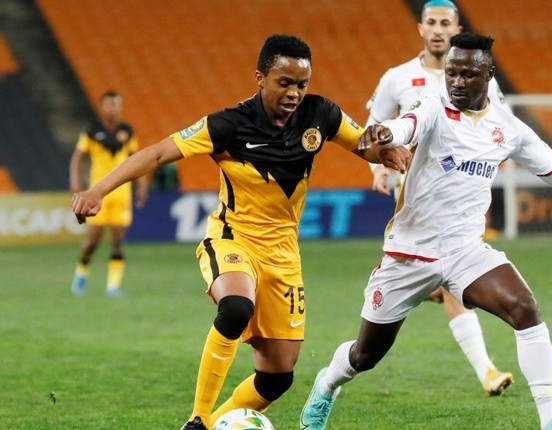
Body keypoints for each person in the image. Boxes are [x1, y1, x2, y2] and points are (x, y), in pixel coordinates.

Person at [71, 34, 409, 430]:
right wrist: (97, 190)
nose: (295, 93)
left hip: (283, 253)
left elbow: (363, 146)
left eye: (302, 84)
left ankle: (212, 424)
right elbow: (159, 152)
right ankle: (197, 419)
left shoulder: (321, 115)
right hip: (231, 239)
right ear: (260, 78)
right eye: (284, 82)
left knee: (278, 376)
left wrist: (385, 150)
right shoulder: (228, 125)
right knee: (235, 307)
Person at [300, 33, 552, 430]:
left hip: (465, 252)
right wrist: (386, 134)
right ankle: (327, 384)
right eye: (451, 72)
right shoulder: (434, 108)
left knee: (525, 310)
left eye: (467, 74)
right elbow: (407, 123)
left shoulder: (508, 128)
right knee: (365, 356)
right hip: (409, 254)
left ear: (488, 75)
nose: (455, 81)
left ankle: (551, 420)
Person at [364, 0, 514, 396]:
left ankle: (486, 371)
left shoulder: (481, 78)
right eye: (430, 22)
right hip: (415, 195)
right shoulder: (397, 78)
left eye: (445, 22)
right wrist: (377, 167)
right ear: (420, 28)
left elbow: (500, 123)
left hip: (461, 194)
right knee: (449, 279)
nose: (437, 29)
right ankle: (483, 366)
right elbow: (374, 126)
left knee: (450, 279)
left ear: (456, 27)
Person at [69, 90, 147, 297]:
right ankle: (81, 275)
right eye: (110, 105)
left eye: (117, 105)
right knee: (92, 239)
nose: (113, 109)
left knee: (118, 240)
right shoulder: (92, 130)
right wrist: (76, 182)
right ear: (102, 107)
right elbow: (78, 157)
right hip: (98, 193)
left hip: (121, 193)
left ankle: (113, 286)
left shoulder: (127, 131)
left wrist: (142, 185)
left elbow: (136, 160)